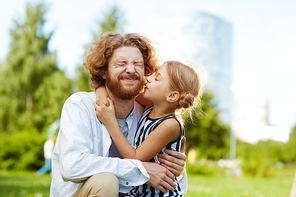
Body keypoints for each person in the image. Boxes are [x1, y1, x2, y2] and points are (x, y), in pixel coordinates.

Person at [50, 32, 187, 197]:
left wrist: (176, 168)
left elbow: (167, 180)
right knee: (106, 182)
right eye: (121, 63)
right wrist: (139, 171)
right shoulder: (80, 105)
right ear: (104, 72)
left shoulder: (148, 114)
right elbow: (72, 166)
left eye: (138, 64)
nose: (130, 70)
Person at [94, 60, 204, 196]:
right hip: (138, 190)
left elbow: (135, 157)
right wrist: (100, 88)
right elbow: (117, 91)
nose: (148, 79)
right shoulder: (150, 106)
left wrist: (110, 121)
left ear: (172, 96)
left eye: (157, 78)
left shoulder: (170, 125)